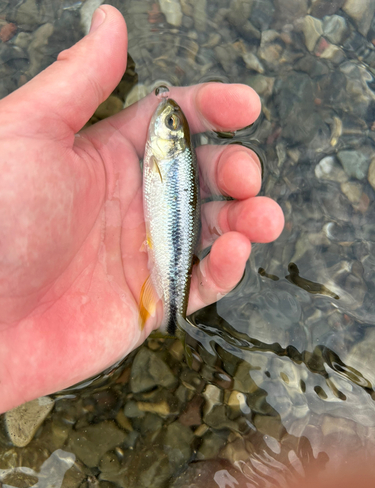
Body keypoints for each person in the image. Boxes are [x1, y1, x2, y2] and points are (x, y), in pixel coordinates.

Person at [0, 5, 284, 414]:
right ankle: (176, 329)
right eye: (172, 124)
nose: (163, 122)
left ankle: (173, 325)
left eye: (169, 126)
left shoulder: (162, 153)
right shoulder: (164, 154)